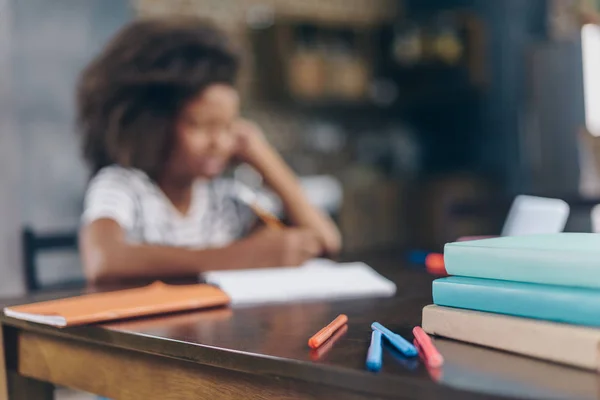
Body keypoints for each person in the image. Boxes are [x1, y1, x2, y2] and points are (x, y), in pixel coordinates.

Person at [77, 18, 341, 283]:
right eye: (201, 125)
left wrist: (264, 157)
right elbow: (103, 261)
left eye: (228, 127)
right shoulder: (123, 187)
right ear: (153, 124)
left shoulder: (224, 201)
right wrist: (242, 258)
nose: (219, 142)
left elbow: (325, 240)